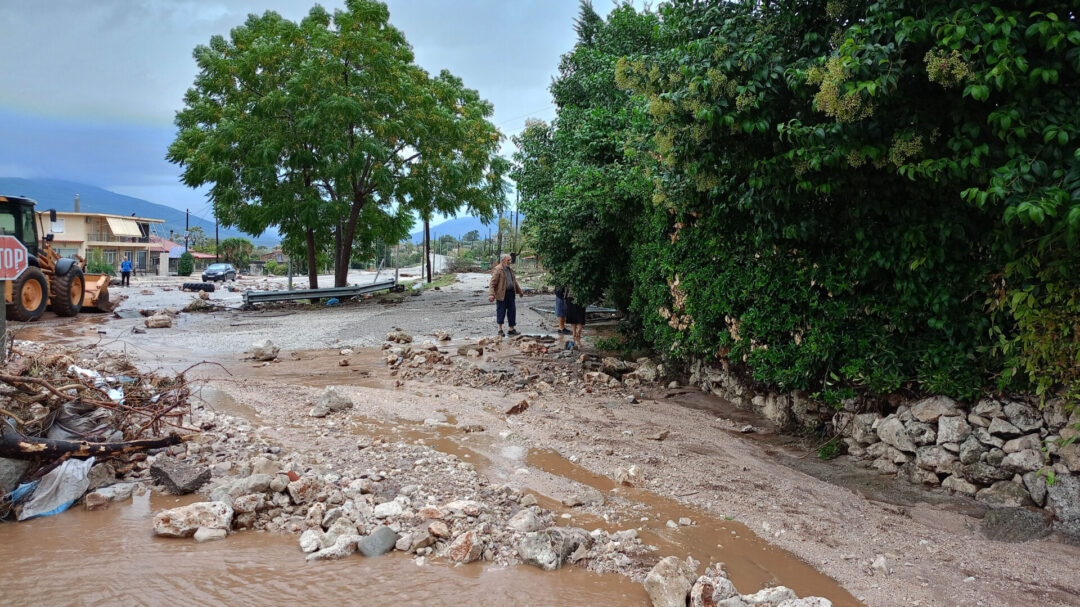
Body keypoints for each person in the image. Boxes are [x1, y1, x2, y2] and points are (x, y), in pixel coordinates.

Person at [488, 253, 524, 337]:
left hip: (511, 293)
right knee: (501, 311)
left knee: (512, 311)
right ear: (503, 260)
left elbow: (514, 282)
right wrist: (491, 294)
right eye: (508, 260)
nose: (510, 262)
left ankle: (511, 329)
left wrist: (519, 291)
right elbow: (492, 283)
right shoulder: (498, 269)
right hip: (501, 294)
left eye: (510, 260)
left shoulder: (510, 269)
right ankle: (500, 329)